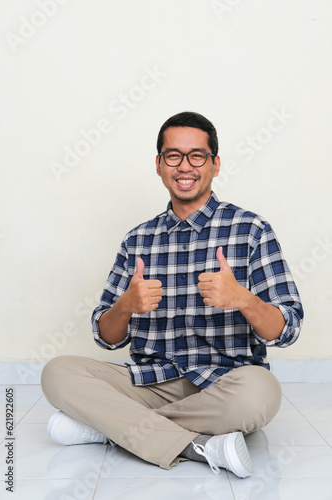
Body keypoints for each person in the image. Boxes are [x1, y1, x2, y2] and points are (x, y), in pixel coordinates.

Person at [41, 111, 303, 478]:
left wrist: (243, 299)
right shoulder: (137, 240)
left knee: (262, 393)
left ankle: (110, 428)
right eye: (173, 155)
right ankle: (196, 445)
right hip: (150, 382)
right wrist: (126, 306)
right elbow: (106, 337)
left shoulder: (251, 230)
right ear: (160, 165)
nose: (185, 166)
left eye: (197, 155)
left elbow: (287, 329)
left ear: (215, 164)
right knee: (58, 372)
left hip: (225, 385)